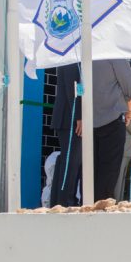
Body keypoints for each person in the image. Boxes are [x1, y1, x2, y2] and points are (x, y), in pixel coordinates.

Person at [91, 59, 131, 201]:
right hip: (112, 120)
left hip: (89, 120)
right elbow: (130, 88)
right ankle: (102, 210)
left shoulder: (88, 54)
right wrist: (130, 110)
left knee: (92, 171)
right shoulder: (116, 55)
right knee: (109, 172)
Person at [48, 63, 82, 207]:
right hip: (70, 119)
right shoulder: (72, 56)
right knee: (71, 162)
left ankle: (58, 202)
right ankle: (65, 202)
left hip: (69, 118)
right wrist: (80, 116)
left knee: (66, 161)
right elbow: (72, 88)